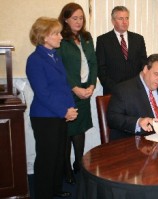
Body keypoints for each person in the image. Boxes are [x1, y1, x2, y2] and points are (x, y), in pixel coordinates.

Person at [26, 17, 78, 199]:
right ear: (44, 37)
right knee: (47, 158)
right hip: (45, 117)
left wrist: (71, 108)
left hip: (59, 115)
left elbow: (63, 86)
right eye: (55, 33)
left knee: (58, 156)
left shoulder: (54, 56)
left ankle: (55, 188)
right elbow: (43, 93)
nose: (60, 37)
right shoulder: (35, 60)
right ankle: (43, 194)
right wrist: (64, 111)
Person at [57, 2, 97, 185]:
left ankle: (78, 163)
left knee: (79, 130)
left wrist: (91, 85)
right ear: (65, 19)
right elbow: (60, 68)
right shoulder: (60, 40)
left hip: (85, 91)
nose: (79, 21)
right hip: (67, 92)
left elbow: (93, 63)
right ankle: (66, 169)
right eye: (74, 18)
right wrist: (74, 88)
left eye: (81, 18)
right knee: (67, 133)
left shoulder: (87, 37)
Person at [107, 54, 158, 140]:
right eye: (156, 74)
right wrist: (138, 122)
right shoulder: (123, 90)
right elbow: (112, 118)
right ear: (145, 69)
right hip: (137, 143)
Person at [96, 6, 147, 95]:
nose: (125, 22)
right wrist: (115, 88)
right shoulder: (103, 40)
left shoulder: (138, 39)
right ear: (113, 21)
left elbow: (143, 65)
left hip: (136, 91)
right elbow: (101, 69)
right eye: (121, 19)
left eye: (127, 18)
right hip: (113, 92)